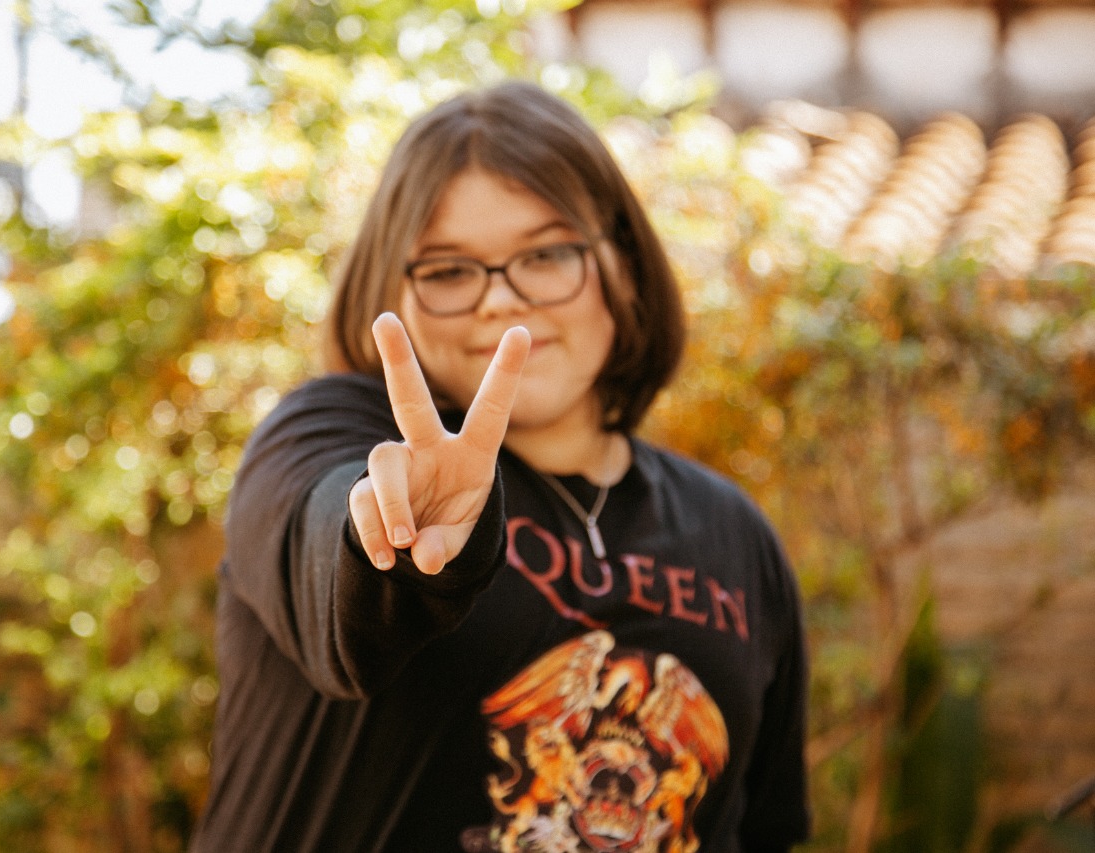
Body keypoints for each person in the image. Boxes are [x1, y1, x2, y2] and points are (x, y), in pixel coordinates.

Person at [191, 80, 811, 853]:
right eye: (450, 270)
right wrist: (396, 536)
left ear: (622, 261)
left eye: (546, 254)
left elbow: (763, 828)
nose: (502, 299)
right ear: (392, 289)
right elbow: (334, 575)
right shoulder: (324, 435)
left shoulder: (735, 536)